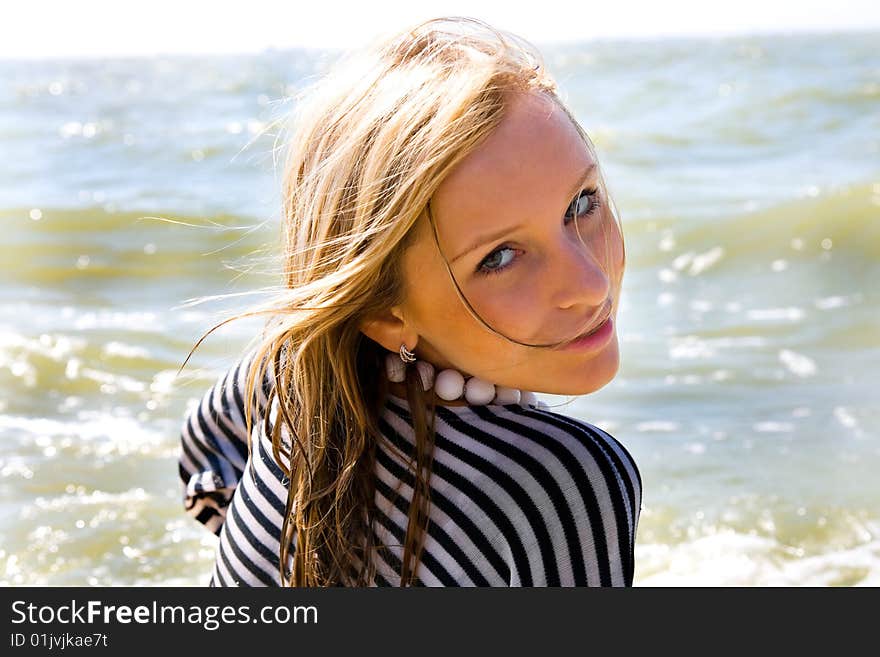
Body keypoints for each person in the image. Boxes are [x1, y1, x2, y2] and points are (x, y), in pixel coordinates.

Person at [177, 16, 641, 587]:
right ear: (384, 313)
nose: (591, 284)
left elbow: (204, 457)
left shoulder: (284, 378)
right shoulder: (559, 480)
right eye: (499, 257)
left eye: (582, 202)